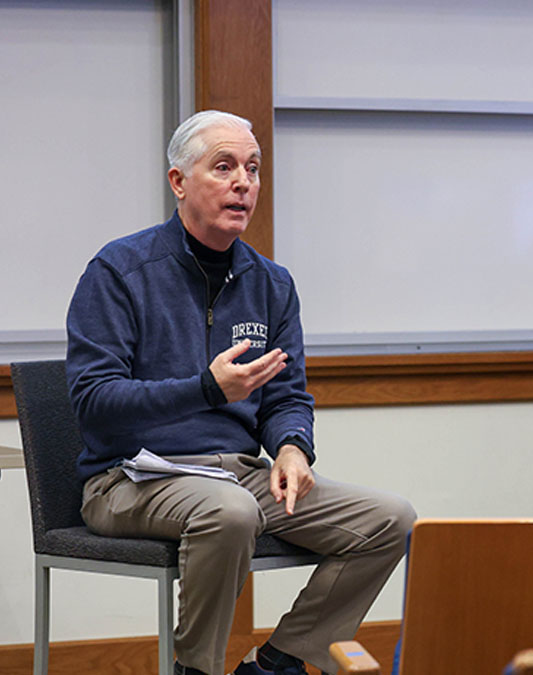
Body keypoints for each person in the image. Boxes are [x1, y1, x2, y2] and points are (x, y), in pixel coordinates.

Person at [66, 110, 417, 675]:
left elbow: (286, 398)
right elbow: (95, 404)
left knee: (390, 518)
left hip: (236, 473)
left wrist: (292, 448)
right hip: (131, 476)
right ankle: (196, 668)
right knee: (229, 513)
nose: (243, 183)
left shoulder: (271, 284)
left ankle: (279, 664)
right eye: (224, 167)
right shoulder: (119, 272)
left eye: (252, 169)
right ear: (179, 182)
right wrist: (206, 388)